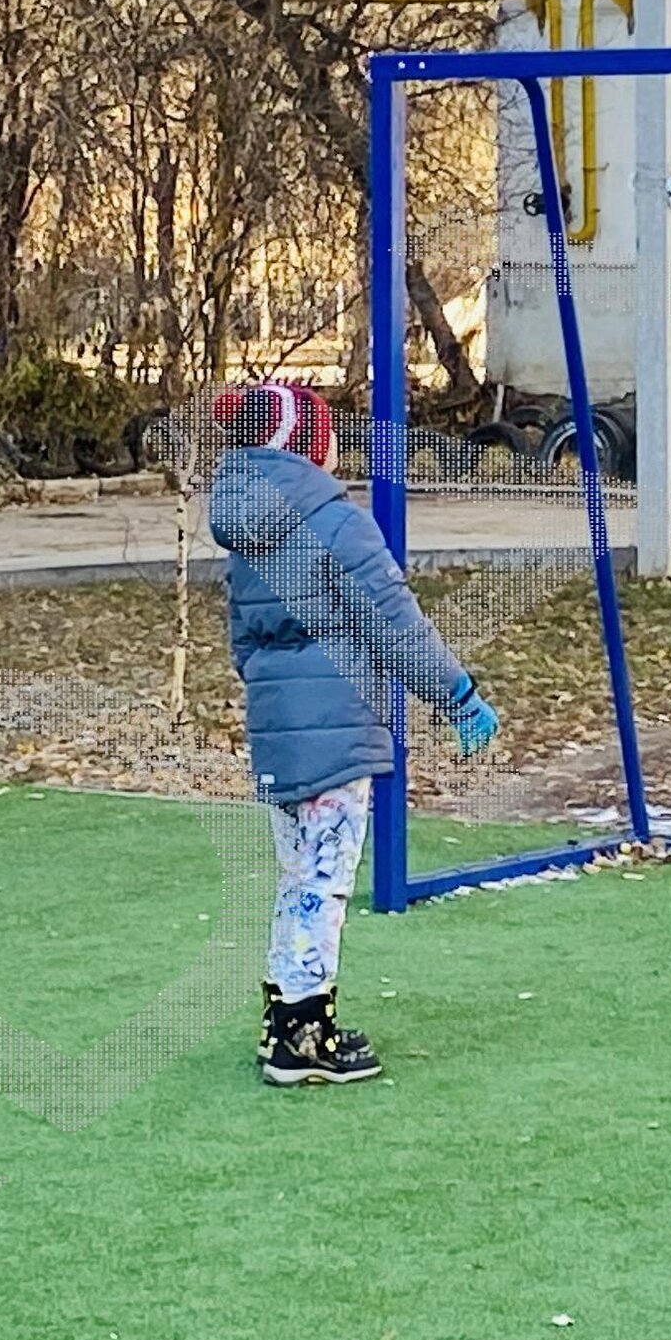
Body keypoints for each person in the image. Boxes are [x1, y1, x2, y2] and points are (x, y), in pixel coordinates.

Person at [207, 381, 498, 1085]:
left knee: (296, 875)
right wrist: (456, 697)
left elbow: (243, 647)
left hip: (277, 729)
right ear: (304, 444)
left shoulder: (249, 537)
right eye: (326, 433)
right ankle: (304, 1037)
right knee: (325, 880)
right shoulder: (338, 525)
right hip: (337, 730)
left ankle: (285, 1012)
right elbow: (396, 626)